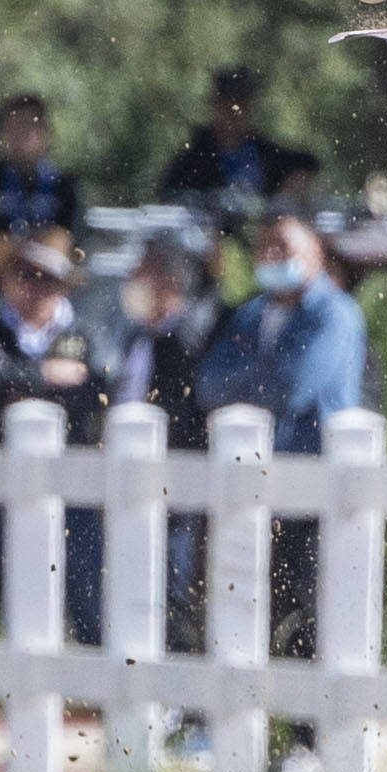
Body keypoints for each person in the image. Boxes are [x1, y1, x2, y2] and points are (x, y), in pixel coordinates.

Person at [195, 204, 370, 664]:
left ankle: (308, 735)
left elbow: (292, 387)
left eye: (284, 246)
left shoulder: (336, 314)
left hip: (315, 487)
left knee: (309, 611)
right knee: (248, 602)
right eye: (265, 246)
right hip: (256, 483)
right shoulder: (251, 313)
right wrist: (259, 378)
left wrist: (245, 381)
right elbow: (207, 383)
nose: (273, 255)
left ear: (316, 251)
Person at [0, 231, 109, 644]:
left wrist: (25, 385)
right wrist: (47, 377)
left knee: (85, 588)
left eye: (45, 277)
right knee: (13, 588)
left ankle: (93, 690)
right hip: (7, 482)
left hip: (74, 482)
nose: (33, 286)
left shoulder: (84, 332)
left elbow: (95, 388)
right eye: (25, 274)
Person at [114, 232, 222, 653]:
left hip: (174, 484)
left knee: (177, 584)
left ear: (168, 282)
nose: (132, 280)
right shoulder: (138, 334)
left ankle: (184, 696)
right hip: (130, 478)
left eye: (142, 273)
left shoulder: (191, 336)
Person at [157, 68, 320, 215]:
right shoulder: (193, 159)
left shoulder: (264, 151)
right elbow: (169, 196)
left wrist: (292, 187)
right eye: (226, 107)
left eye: (242, 106)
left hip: (262, 237)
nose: (234, 115)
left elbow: (307, 162)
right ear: (213, 108)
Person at [0, 95, 81, 286]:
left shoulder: (64, 186)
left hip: (50, 291)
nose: (21, 134)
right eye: (14, 127)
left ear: (45, 131)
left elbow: (77, 245)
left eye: (29, 126)